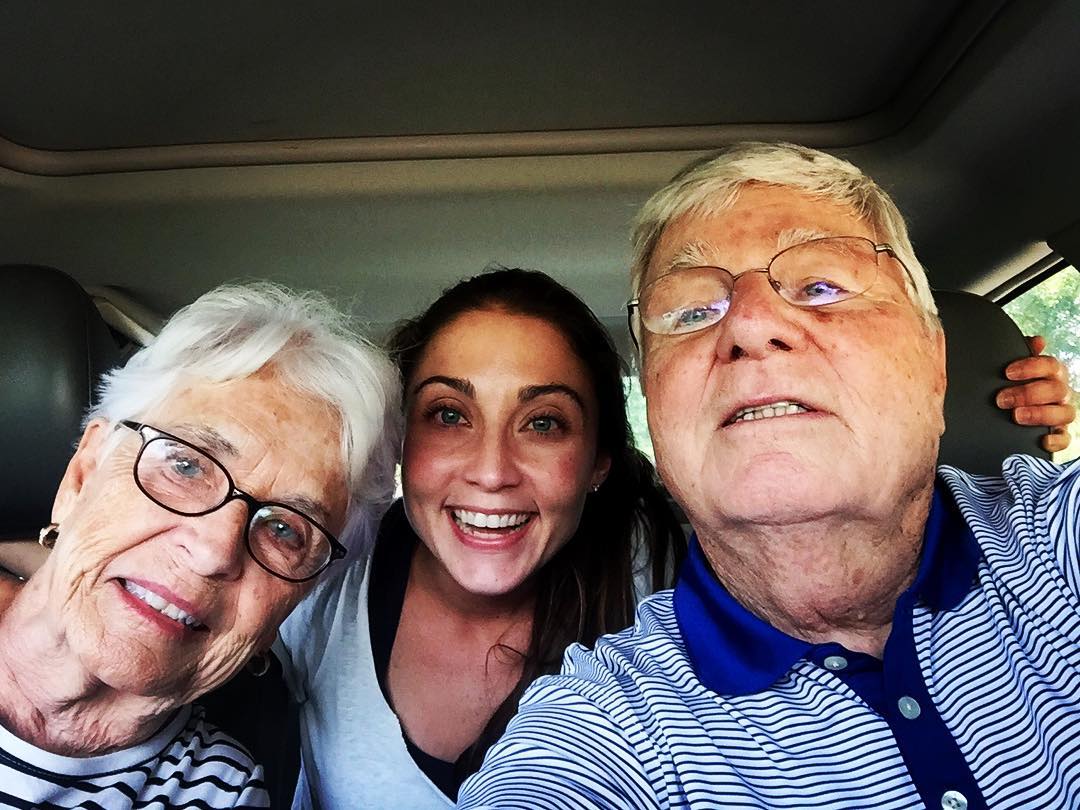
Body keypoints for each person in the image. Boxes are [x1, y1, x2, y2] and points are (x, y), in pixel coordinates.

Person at [458, 142, 1080, 809]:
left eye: (821, 287)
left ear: (935, 363)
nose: (751, 324)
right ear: (656, 419)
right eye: (692, 312)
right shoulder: (603, 728)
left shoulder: (1057, 540)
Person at [275, 268, 686, 807]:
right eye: (449, 415)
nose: (492, 472)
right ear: (400, 441)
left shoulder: (663, 582)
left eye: (542, 424)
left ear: (598, 463)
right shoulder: (320, 574)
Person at [0, 283, 399, 808]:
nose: (214, 550)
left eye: (286, 530)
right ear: (82, 474)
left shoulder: (223, 792)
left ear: (295, 603)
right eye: (186, 466)